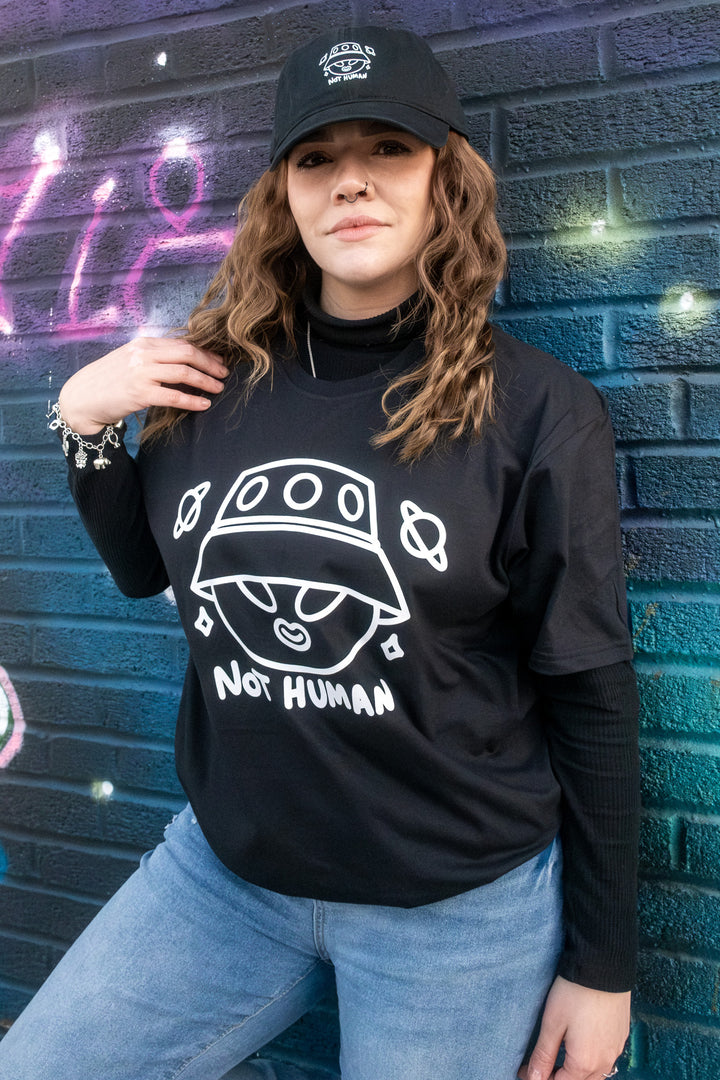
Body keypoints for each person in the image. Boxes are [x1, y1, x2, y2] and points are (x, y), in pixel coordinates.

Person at [0, 25, 639, 1080]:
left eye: (387, 148)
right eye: (316, 157)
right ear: (284, 195)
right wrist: (83, 427)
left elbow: (592, 692)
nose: (351, 182)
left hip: (455, 913)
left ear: (447, 176)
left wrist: (602, 964)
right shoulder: (216, 382)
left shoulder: (536, 411)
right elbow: (145, 571)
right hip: (226, 879)